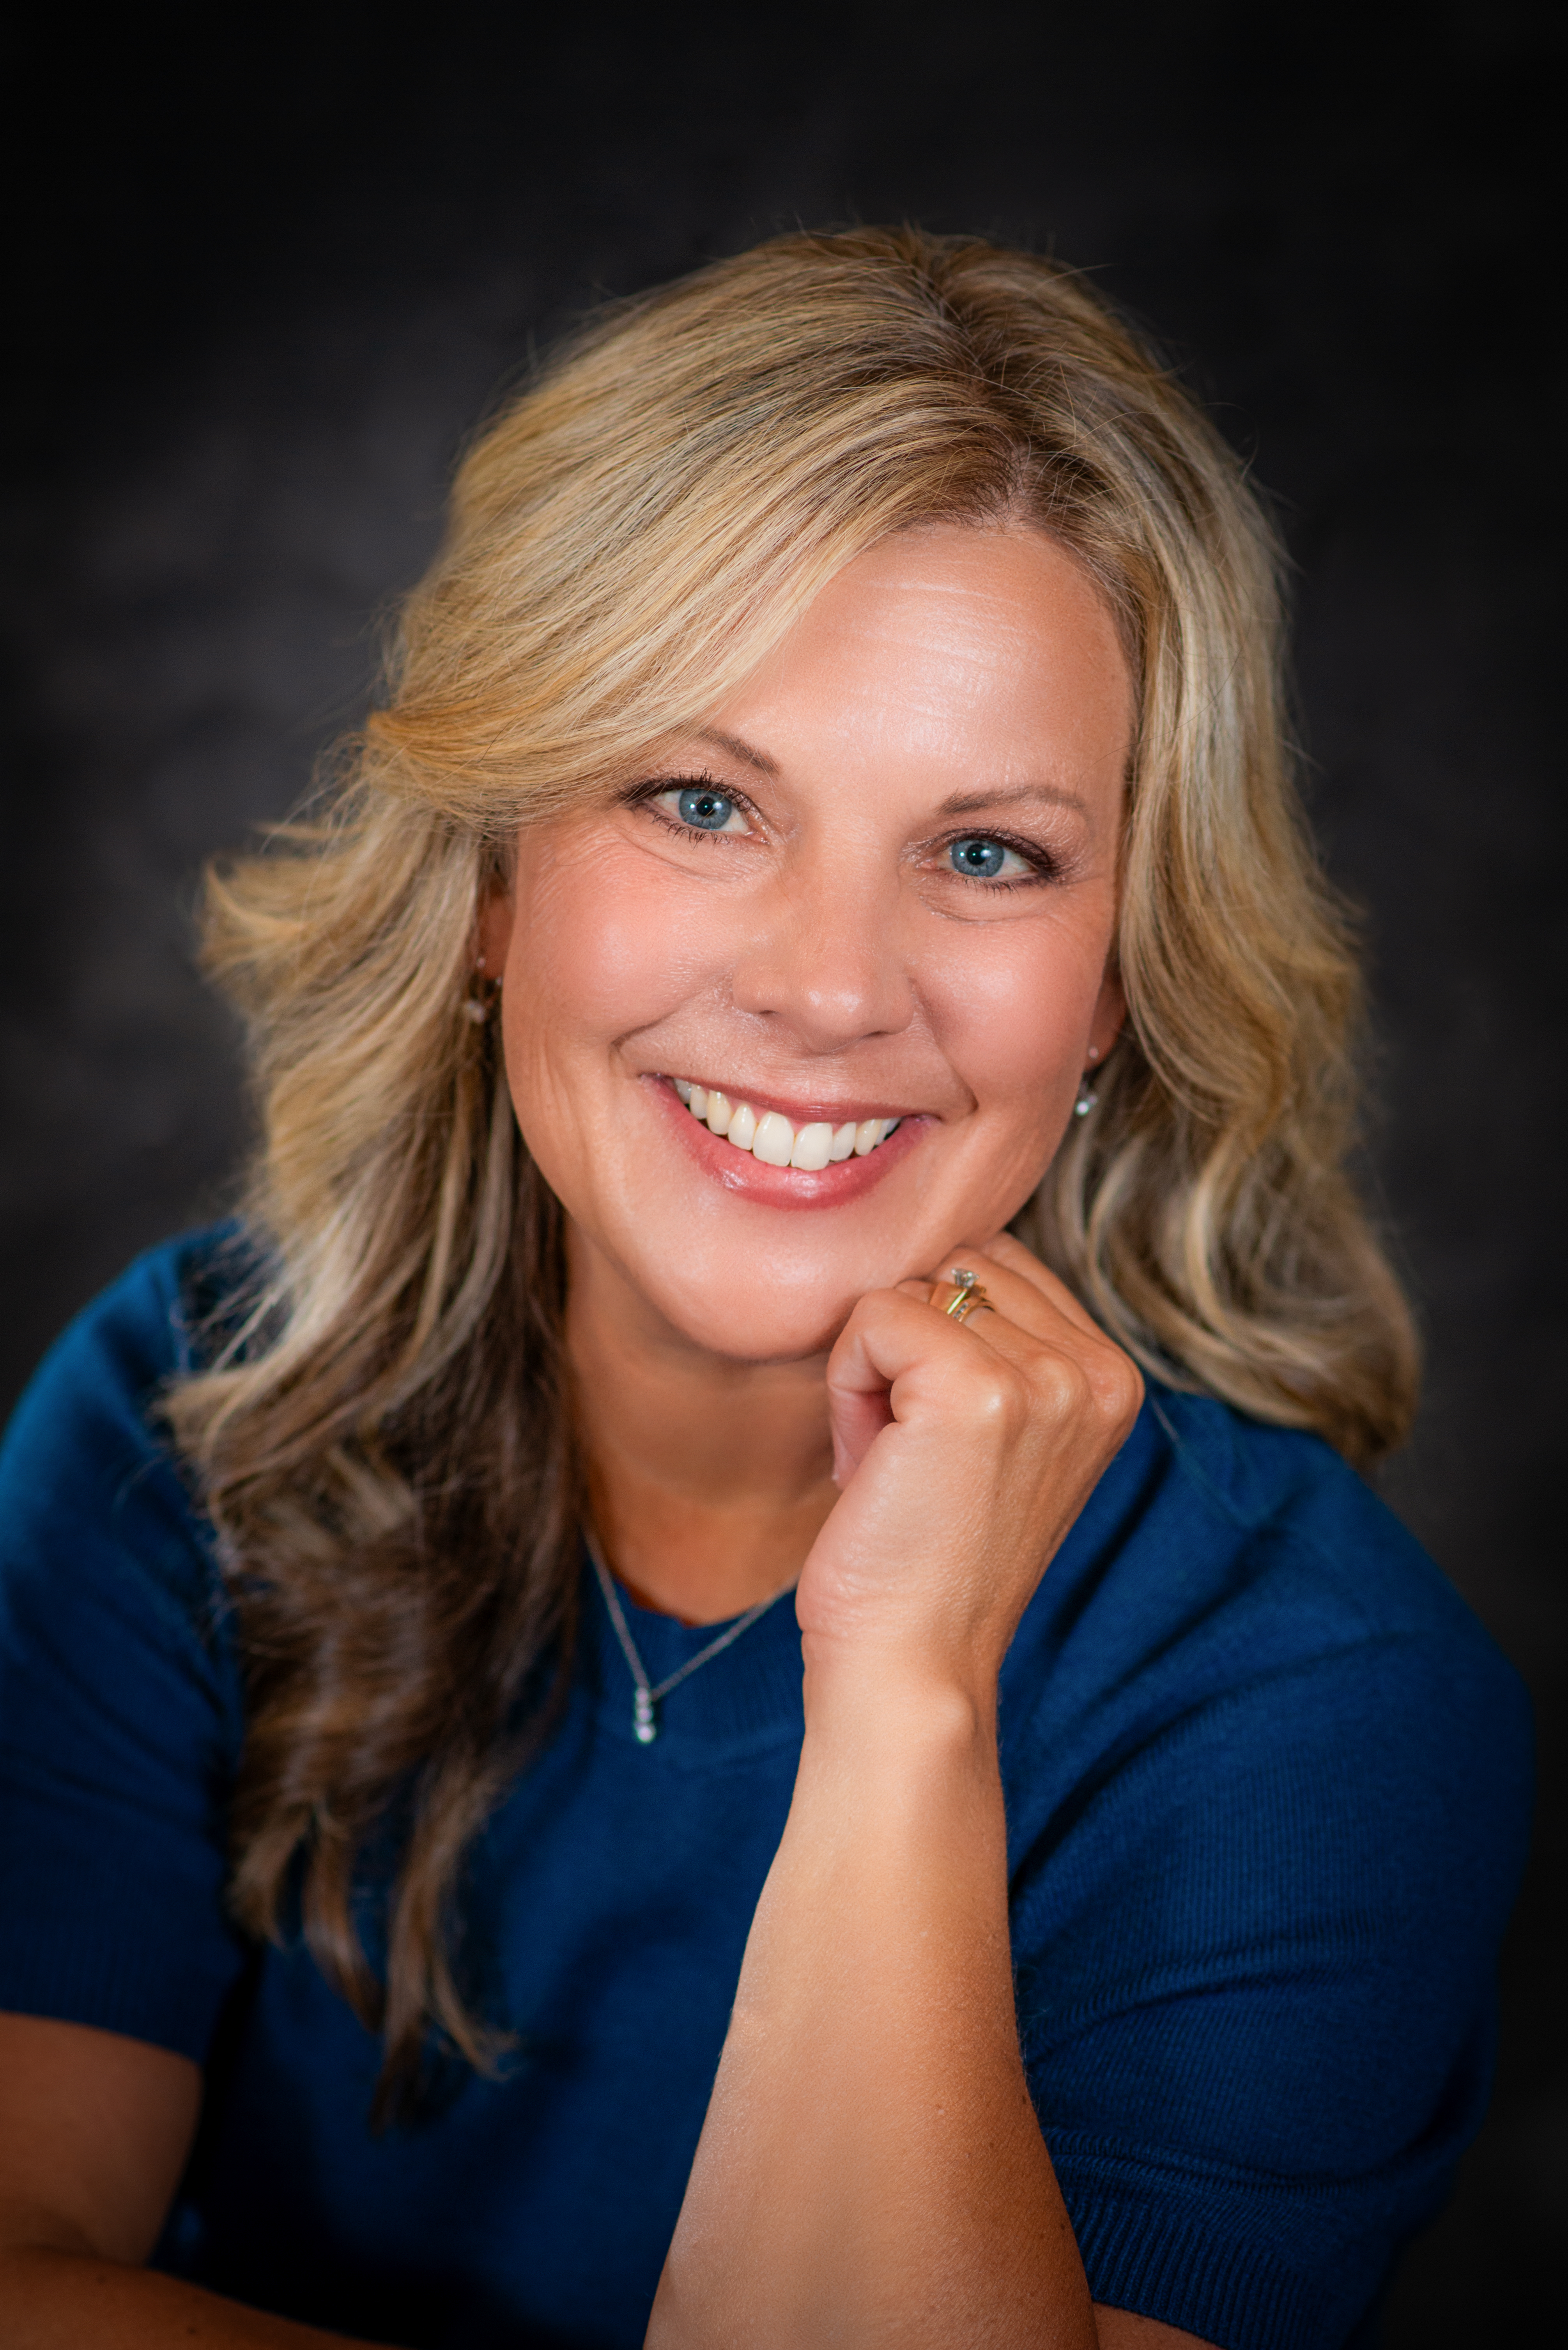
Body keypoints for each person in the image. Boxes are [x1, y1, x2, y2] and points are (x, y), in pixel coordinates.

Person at [0, 228, 1531, 2350]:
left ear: (1113, 989)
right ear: (489, 878)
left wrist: (903, 1694)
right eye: (699, 800)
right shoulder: (183, 1419)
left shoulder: (1314, 1704)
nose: (824, 989)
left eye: (986, 852)